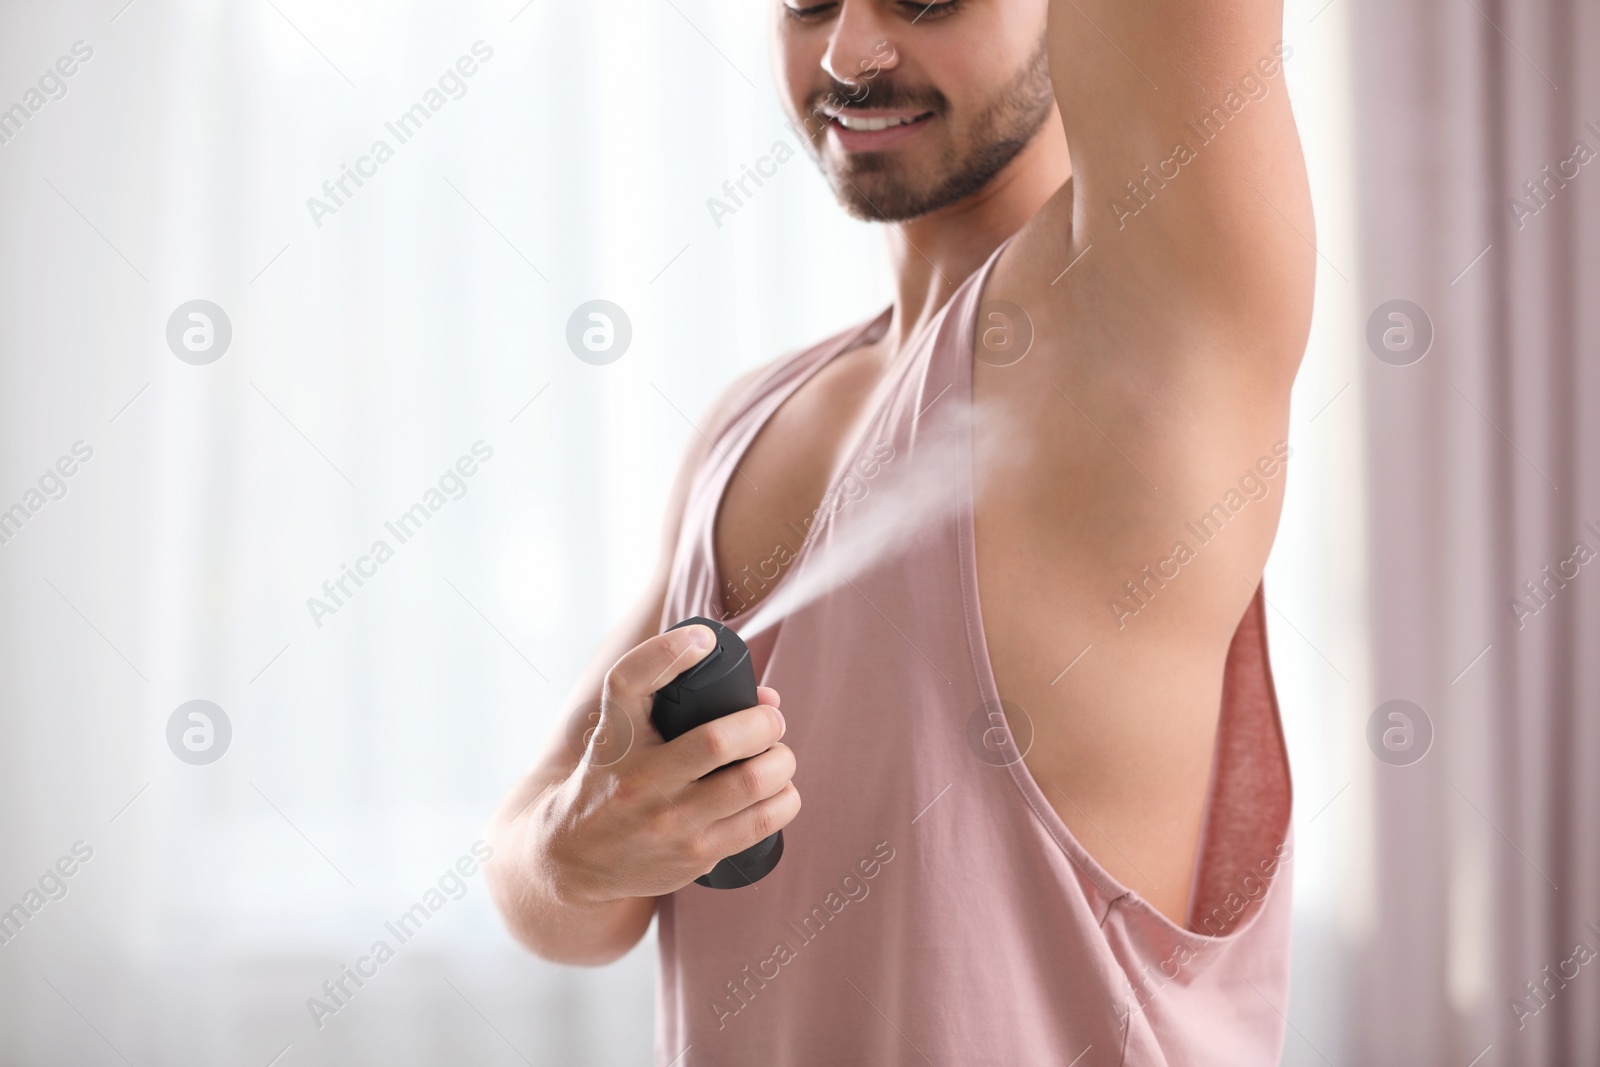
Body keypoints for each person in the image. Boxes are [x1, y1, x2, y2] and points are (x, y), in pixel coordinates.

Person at [486, 0, 1311, 1061]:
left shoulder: (1141, 324)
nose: (844, 54)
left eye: (926, 0)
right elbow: (545, 876)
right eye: (807, 4)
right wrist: (579, 853)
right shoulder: (752, 422)